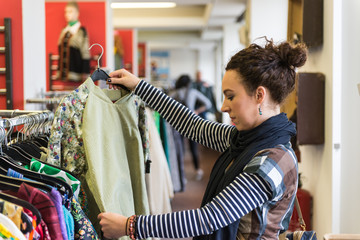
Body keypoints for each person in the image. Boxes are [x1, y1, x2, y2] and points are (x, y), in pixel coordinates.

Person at [98, 38, 308, 240]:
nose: (224, 106)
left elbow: (210, 217)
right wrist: (139, 86)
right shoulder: (245, 141)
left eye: (231, 96)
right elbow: (193, 126)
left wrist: (130, 226)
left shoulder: (272, 160)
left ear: (259, 95)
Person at [170, 74, 212, 181]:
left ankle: (181, 174)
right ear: (188, 83)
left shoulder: (175, 93)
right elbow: (208, 103)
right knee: (193, 147)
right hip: (191, 122)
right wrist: (197, 111)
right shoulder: (193, 92)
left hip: (177, 124)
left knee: (180, 149)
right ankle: (197, 170)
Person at [57, 1, 90, 82]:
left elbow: (85, 53)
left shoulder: (81, 31)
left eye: (70, 11)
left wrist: (85, 72)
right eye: (66, 12)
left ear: (77, 13)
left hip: (76, 74)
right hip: (63, 75)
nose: (67, 14)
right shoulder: (63, 31)